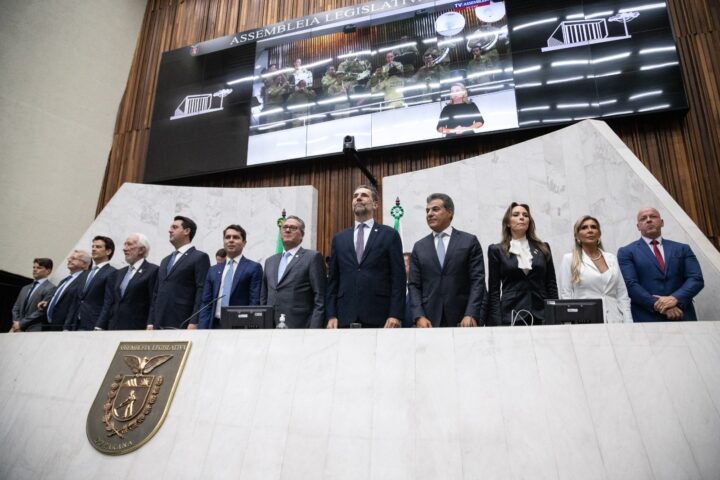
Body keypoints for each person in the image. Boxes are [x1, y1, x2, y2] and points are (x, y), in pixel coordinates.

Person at [326, 184, 405, 328]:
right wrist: (331, 314)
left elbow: (398, 278)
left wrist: (395, 314)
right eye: (355, 196)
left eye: (364, 195)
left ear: (375, 204)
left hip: (380, 316)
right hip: (344, 316)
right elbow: (333, 280)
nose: (358, 198)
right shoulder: (339, 238)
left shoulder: (389, 235)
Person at [408, 193, 486, 328]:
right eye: (427, 211)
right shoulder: (419, 247)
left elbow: (477, 281)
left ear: (449, 212)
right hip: (428, 321)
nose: (429, 214)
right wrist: (419, 316)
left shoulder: (469, 241)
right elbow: (414, 285)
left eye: (435, 209)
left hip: (462, 319)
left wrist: (471, 314)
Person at [617, 207, 704, 322]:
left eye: (653, 216)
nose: (648, 220)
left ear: (662, 222)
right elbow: (630, 285)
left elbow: (696, 279)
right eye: (643, 218)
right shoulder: (626, 252)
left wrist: (675, 299)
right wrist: (661, 306)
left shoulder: (683, 249)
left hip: (682, 314)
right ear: (638, 226)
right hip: (647, 317)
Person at [487, 202, 558, 326]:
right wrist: (497, 322)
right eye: (516, 214)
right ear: (508, 223)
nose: (522, 217)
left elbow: (551, 284)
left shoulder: (543, 248)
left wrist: (555, 316)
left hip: (541, 314)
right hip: (510, 314)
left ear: (529, 222)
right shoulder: (496, 250)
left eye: (525, 215)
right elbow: (494, 291)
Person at [559, 216, 632, 323]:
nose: (590, 230)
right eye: (584, 228)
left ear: (599, 233)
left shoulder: (611, 258)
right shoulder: (569, 259)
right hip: (584, 320)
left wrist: (628, 321)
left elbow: (622, 294)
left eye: (594, 227)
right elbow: (565, 294)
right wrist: (570, 322)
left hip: (615, 319)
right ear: (577, 235)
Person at [261, 215, 326, 328]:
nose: (287, 230)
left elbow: (320, 298)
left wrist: (314, 330)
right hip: (270, 327)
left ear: (302, 234)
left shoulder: (312, 257)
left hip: (300, 327)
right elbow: (263, 297)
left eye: (293, 227)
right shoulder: (270, 261)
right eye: (284, 227)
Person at [148, 216, 210, 329]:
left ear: (187, 231)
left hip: (182, 321)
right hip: (158, 322)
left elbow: (201, 291)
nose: (170, 230)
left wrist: (194, 321)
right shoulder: (165, 260)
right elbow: (156, 293)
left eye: (175, 227)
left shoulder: (199, 257)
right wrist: (150, 322)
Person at [199, 224, 262, 329]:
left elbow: (254, 302)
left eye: (236, 237)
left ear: (244, 243)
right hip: (214, 325)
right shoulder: (213, 270)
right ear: (224, 242)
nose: (231, 240)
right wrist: (202, 329)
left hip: (240, 326)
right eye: (227, 237)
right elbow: (206, 304)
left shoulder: (253, 268)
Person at [96, 233, 159, 330]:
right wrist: (100, 325)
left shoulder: (153, 270)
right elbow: (110, 302)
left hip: (137, 328)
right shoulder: (119, 273)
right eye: (125, 244)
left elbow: (154, 301)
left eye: (129, 244)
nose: (124, 248)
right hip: (113, 326)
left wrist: (151, 323)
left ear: (141, 250)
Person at [65, 236, 117, 331]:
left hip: (93, 325)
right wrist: (67, 326)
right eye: (93, 246)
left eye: (98, 247)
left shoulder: (112, 272)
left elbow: (108, 302)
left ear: (108, 251)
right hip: (75, 325)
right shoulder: (85, 273)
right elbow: (76, 301)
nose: (93, 249)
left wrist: (100, 325)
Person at [41, 250, 91, 331]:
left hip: (64, 327)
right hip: (48, 325)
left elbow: (75, 303)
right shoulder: (64, 280)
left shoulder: (85, 280)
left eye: (74, 258)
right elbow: (62, 299)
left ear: (84, 264)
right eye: (70, 258)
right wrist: (48, 303)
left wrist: (67, 327)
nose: (70, 260)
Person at [10, 258, 56, 332]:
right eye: (34, 267)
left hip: (34, 330)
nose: (34, 270)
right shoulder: (25, 288)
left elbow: (41, 311)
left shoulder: (51, 288)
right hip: (17, 329)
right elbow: (16, 307)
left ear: (48, 271)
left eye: (39, 268)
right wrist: (16, 323)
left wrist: (21, 324)